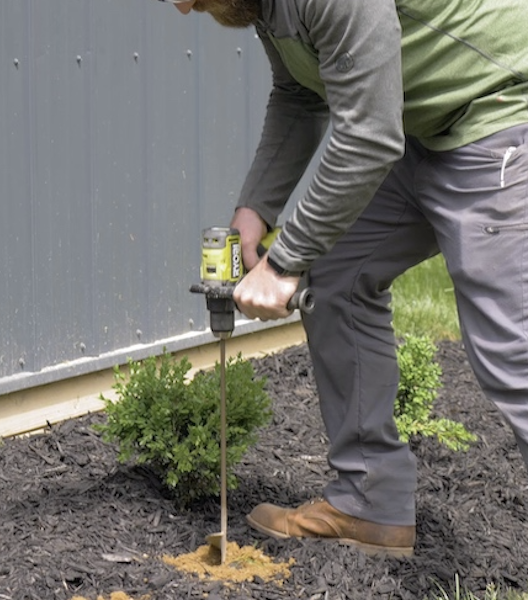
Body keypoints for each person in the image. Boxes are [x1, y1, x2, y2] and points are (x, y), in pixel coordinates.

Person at [163, 0, 528, 557]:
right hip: (423, 133)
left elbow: (370, 135)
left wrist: (284, 264)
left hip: (498, 113)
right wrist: (255, 211)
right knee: (335, 273)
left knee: (513, 351)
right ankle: (370, 502)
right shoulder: (262, 5)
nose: (185, 7)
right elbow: (301, 94)